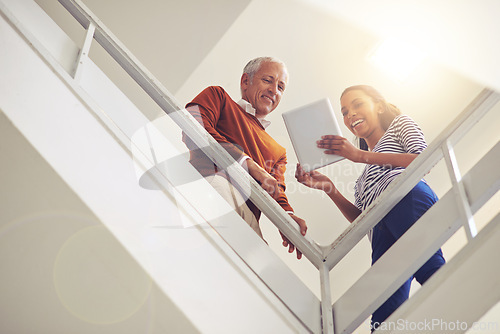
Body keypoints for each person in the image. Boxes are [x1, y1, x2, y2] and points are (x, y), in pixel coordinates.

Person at [295, 85, 445, 329]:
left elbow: (424, 159)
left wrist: (360, 156)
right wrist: (329, 188)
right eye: (344, 111)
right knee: (383, 313)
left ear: (379, 105)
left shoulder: (399, 125)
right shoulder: (361, 181)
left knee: (428, 267)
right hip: (380, 227)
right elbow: (362, 221)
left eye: (357, 104)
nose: (350, 115)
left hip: (406, 198)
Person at [182, 57, 307, 259]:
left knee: (267, 272)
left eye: (281, 87)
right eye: (268, 80)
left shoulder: (278, 151)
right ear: (245, 81)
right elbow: (193, 125)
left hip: (247, 219)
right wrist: (249, 165)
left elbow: (276, 191)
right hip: (212, 185)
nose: (274, 90)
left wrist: (288, 219)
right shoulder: (218, 96)